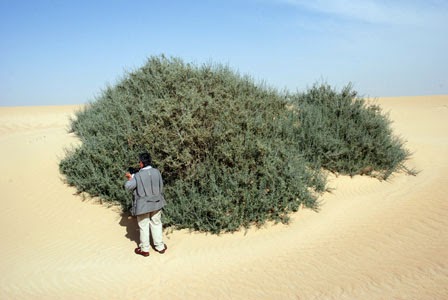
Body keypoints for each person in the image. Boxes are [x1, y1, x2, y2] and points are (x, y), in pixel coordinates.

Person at [125, 152, 167, 257]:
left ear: (141, 163)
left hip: (143, 205)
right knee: (156, 224)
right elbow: (161, 186)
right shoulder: (157, 172)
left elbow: (128, 186)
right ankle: (160, 247)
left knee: (143, 226)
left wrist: (130, 178)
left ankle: (144, 249)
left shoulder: (138, 176)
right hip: (157, 203)